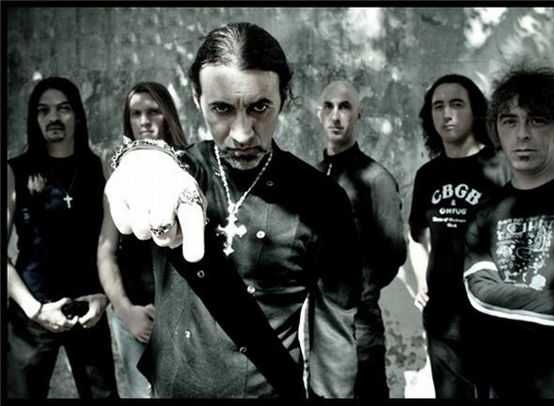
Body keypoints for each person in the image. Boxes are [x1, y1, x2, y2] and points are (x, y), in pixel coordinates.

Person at [104, 22, 362, 398]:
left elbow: (335, 337)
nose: (242, 133)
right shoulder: (179, 171)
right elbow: (149, 163)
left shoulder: (322, 199)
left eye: (259, 107)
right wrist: (135, 157)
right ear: (197, 100)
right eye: (222, 109)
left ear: (285, 98)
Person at [463, 65, 554, 398]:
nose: (522, 134)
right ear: (496, 130)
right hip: (505, 380)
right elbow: (481, 291)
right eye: (510, 121)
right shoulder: (485, 213)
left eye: (537, 120)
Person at [6, 77, 118, 398]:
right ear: (35, 118)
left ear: (78, 115)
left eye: (63, 109)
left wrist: (104, 297)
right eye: (44, 111)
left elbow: (111, 244)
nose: (53, 117)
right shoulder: (15, 171)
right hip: (33, 310)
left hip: (89, 309)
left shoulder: (98, 168)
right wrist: (34, 309)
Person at [408, 74, 509, 398]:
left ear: (474, 111)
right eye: (438, 106)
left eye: (456, 104)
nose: (447, 114)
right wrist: (422, 281)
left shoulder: (502, 167)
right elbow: (416, 235)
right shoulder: (427, 175)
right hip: (443, 315)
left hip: (493, 313)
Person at [315, 80, 407, 399]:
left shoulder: (375, 178)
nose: (335, 115)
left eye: (345, 107)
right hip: (317, 323)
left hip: (359, 324)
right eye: (328, 106)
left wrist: (359, 291)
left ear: (359, 114)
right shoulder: (312, 176)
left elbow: (394, 252)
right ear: (319, 113)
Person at [97, 82, 187, 398]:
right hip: (136, 317)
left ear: (169, 117)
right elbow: (106, 251)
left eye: (153, 112)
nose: (144, 121)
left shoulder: (190, 168)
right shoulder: (120, 177)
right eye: (136, 114)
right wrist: (125, 311)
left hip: (184, 317)